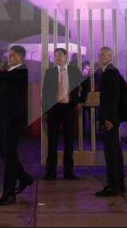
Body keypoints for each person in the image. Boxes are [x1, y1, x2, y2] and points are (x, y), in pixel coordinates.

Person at [0, 45, 32, 206]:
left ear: (21, 58)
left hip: (14, 120)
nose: (9, 58)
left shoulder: (22, 72)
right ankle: (24, 177)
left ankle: (9, 194)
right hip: (4, 119)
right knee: (4, 152)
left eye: (13, 55)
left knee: (9, 154)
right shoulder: (9, 72)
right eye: (9, 55)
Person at [41, 48, 88, 180]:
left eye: (60, 55)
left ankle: (68, 172)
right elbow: (45, 93)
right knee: (52, 141)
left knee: (69, 140)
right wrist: (45, 111)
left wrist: (81, 101)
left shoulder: (74, 71)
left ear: (66, 57)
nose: (57, 58)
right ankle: (51, 172)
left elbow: (86, 85)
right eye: (55, 56)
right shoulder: (50, 72)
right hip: (54, 109)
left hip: (69, 108)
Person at [96, 46, 126, 197]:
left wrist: (109, 119)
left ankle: (113, 185)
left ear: (110, 56)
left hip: (110, 120)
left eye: (103, 54)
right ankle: (118, 184)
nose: (99, 56)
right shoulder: (108, 72)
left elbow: (112, 99)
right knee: (114, 152)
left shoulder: (110, 73)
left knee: (111, 153)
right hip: (111, 119)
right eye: (99, 53)